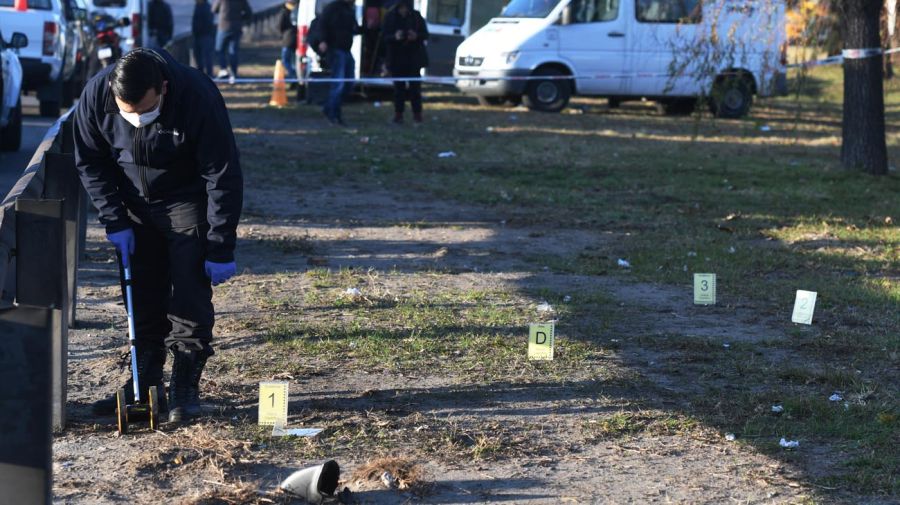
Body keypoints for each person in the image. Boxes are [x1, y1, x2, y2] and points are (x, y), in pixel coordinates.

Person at [73, 48, 243, 424]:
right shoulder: (97, 95)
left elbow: (223, 174)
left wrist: (220, 245)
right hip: (131, 204)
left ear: (163, 89)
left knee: (189, 293)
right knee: (140, 293)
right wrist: (114, 219)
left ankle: (185, 385)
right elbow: (89, 161)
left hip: (185, 200)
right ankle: (144, 383)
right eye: (127, 113)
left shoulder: (197, 96)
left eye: (145, 112)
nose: (136, 121)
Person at [382, 0, 428, 124]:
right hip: (397, 58)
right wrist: (394, 37)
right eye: (401, 8)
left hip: (413, 58)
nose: (404, 10)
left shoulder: (416, 17)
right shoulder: (390, 17)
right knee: (398, 89)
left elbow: (425, 34)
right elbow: (384, 37)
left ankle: (417, 115)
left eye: (405, 8)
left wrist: (416, 36)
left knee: (415, 89)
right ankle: (398, 114)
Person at [318, 0, 359, 126]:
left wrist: (367, 28)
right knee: (338, 84)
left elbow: (354, 28)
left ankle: (328, 108)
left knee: (349, 83)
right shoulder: (332, 8)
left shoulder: (349, 10)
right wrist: (323, 40)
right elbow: (322, 24)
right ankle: (334, 114)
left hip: (346, 50)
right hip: (336, 49)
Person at [212, 0, 253, 83]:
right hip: (236, 28)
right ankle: (233, 74)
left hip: (223, 27)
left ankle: (223, 70)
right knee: (233, 51)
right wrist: (239, 18)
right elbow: (249, 13)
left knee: (220, 50)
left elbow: (214, 9)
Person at [192, 0, 217, 77]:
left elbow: (208, 23)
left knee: (207, 57)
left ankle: (210, 75)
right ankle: (200, 75)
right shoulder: (197, 6)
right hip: (198, 36)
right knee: (198, 57)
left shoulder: (207, 7)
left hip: (206, 36)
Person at [278, 0, 298, 82]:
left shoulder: (284, 11)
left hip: (288, 39)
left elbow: (280, 25)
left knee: (286, 61)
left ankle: (294, 77)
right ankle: (295, 78)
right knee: (294, 62)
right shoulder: (299, 9)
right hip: (297, 39)